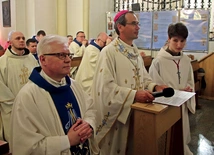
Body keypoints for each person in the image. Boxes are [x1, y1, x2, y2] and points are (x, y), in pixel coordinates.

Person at [91, 10, 166, 155]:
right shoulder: (108, 52)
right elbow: (105, 88)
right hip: (118, 118)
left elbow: (143, 78)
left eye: (138, 23)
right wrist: (134, 95)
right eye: (134, 23)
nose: (138, 27)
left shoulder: (134, 51)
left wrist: (155, 86)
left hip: (137, 114)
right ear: (120, 27)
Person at [10, 35, 98, 155]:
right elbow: (25, 147)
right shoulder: (27, 97)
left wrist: (88, 125)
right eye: (61, 55)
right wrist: (67, 141)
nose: (68, 60)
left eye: (68, 55)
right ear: (43, 59)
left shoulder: (73, 85)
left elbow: (90, 109)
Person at [149, 22, 195, 155]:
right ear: (168, 38)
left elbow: (190, 81)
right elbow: (153, 85)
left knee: (181, 139)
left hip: (182, 106)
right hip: (167, 107)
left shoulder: (186, 60)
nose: (179, 45)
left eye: (182, 41)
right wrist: (174, 93)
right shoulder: (158, 61)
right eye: (175, 40)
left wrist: (188, 89)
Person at [0, 31, 38, 142]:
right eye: (17, 38)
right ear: (10, 42)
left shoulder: (31, 58)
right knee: (17, 140)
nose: (21, 40)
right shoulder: (3, 62)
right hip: (12, 108)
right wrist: (15, 104)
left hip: (33, 105)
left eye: (23, 38)